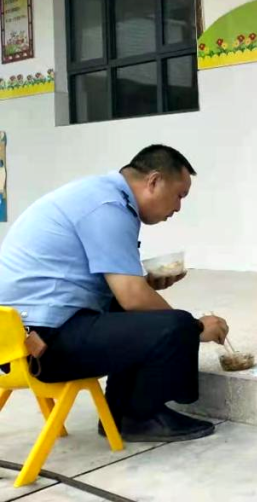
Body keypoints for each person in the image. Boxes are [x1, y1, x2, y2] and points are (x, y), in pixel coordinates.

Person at [0, 145, 227, 443]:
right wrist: (196, 328)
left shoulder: (96, 195)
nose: (178, 207)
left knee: (141, 314)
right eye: (179, 195)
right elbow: (133, 297)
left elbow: (121, 291)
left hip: (17, 339)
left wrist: (145, 285)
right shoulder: (109, 207)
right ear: (154, 181)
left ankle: (121, 412)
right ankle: (138, 417)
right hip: (41, 346)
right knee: (176, 325)